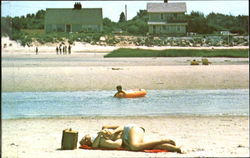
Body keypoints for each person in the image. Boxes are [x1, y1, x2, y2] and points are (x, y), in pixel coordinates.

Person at [80, 124, 182, 153]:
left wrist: (114, 132)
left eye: (85, 136)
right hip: (128, 137)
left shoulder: (104, 128)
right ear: (89, 142)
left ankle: (163, 140)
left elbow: (122, 126)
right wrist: (118, 138)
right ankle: (175, 148)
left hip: (130, 130)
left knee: (134, 147)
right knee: (149, 147)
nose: (85, 137)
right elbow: (117, 145)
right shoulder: (101, 140)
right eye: (85, 139)